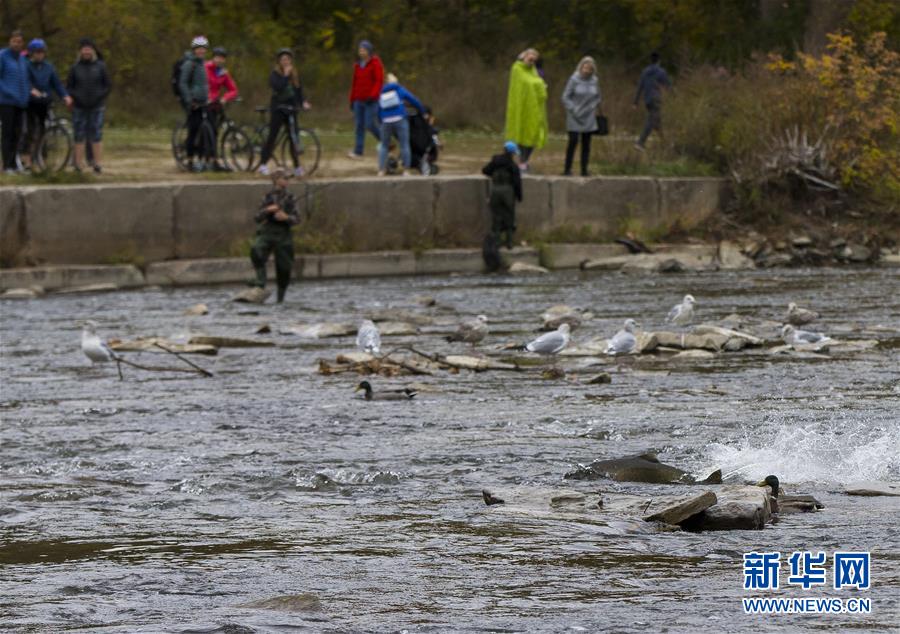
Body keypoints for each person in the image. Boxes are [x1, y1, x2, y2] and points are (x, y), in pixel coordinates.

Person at [258, 48, 310, 177]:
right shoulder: (275, 74)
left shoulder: (294, 74)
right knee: (272, 137)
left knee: (293, 138)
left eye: (287, 59)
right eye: (283, 60)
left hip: (291, 109)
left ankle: (297, 167)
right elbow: (278, 87)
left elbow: (298, 90)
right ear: (279, 62)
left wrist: (303, 102)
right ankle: (263, 164)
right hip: (278, 109)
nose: (286, 62)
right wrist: (286, 75)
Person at [250, 167, 299, 303]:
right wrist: (268, 210)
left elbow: (297, 219)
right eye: (285, 178)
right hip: (267, 232)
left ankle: (280, 298)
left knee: (284, 268)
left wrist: (286, 217)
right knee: (256, 250)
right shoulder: (267, 197)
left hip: (284, 235)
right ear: (277, 180)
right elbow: (257, 217)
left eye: (288, 179)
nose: (287, 181)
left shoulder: (291, 198)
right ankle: (260, 282)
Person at [22, 39, 72, 169]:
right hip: (30, 103)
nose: (39, 55)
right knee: (30, 130)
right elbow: (24, 81)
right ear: (32, 53)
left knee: (44, 130)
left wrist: (65, 96)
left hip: (45, 102)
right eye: (37, 52)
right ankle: (27, 159)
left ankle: (41, 158)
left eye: (41, 52)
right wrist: (31, 89)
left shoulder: (49, 67)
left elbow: (57, 84)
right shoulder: (26, 65)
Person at [66, 37, 110, 173]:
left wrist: (99, 97)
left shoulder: (101, 66)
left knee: (96, 134)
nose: (86, 52)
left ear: (92, 51)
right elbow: (69, 87)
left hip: (97, 105)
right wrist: (76, 98)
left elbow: (107, 85)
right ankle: (78, 164)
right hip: (79, 106)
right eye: (84, 49)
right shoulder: (75, 68)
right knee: (79, 134)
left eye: (88, 49)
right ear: (80, 52)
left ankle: (97, 164)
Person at [504, 48, 547, 172]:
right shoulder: (517, 69)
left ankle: (524, 160)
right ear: (524, 56)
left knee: (532, 134)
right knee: (521, 133)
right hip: (521, 108)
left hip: (534, 109)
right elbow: (523, 85)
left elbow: (538, 84)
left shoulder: (534, 71)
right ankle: (520, 161)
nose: (532, 58)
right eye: (530, 55)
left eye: (535, 56)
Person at [377, 72, 424, 176]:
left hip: (386, 121)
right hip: (400, 119)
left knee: (384, 146)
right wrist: (423, 110)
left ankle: (381, 170)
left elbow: (378, 108)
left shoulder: (381, 91)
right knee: (404, 145)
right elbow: (413, 100)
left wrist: (381, 120)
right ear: (395, 81)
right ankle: (406, 170)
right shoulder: (399, 89)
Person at [561, 56, 601, 176]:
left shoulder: (595, 80)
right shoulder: (574, 79)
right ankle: (567, 169)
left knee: (586, 143)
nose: (586, 70)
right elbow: (565, 97)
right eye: (585, 67)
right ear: (581, 67)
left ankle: (584, 169)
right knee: (573, 141)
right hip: (574, 114)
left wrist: (592, 107)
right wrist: (573, 108)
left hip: (588, 115)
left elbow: (598, 96)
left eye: (589, 68)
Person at [482, 141, 523, 250]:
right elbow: (517, 182)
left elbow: (485, 170)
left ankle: (496, 242)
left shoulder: (495, 161)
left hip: (495, 191)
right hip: (508, 192)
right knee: (509, 216)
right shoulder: (513, 165)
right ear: (512, 153)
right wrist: (519, 196)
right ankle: (509, 243)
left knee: (496, 216)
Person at [178, 36, 210, 172]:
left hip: (203, 102)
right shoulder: (189, 64)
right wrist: (189, 100)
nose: (201, 51)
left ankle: (201, 159)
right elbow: (183, 83)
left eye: (203, 49)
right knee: (193, 131)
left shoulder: (203, 64)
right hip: (193, 103)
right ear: (194, 50)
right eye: (199, 49)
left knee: (204, 132)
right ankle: (190, 159)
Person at [347, 40, 383, 160]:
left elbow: (378, 81)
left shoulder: (375, 63)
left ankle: (385, 141)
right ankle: (358, 151)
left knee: (370, 124)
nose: (361, 51)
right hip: (358, 99)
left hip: (371, 100)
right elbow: (354, 83)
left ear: (369, 51)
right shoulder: (358, 65)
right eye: (360, 49)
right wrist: (352, 99)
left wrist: (373, 95)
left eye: (363, 49)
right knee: (359, 126)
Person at [205, 46, 238, 172]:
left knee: (216, 131)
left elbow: (233, 89)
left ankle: (213, 159)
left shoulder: (223, 72)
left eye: (222, 58)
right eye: (217, 57)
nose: (219, 60)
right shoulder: (205, 68)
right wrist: (206, 97)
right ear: (213, 57)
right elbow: (202, 84)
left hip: (216, 103)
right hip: (205, 102)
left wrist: (225, 98)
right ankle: (209, 158)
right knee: (209, 130)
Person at [0, 30, 29, 174]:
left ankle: (14, 163)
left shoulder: (23, 59)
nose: (17, 44)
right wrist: (8, 92)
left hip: (21, 103)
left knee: (18, 134)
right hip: (6, 102)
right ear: (10, 41)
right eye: (14, 41)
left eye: (19, 41)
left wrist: (25, 96)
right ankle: (6, 165)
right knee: (8, 133)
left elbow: (25, 80)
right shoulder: (3, 56)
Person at [633, 51, 672, 151]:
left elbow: (640, 86)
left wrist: (635, 102)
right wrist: (674, 96)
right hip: (656, 99)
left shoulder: (644, 71)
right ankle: (640, 142)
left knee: (657, 121)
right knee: (652, 120)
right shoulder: (661, 72)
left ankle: (665, 144)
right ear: (659, 61)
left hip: (647, 100)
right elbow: (668, 86)